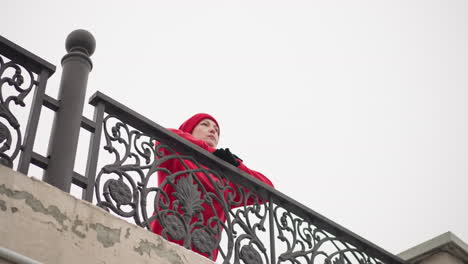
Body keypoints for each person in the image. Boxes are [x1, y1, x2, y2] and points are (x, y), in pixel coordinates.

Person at [151, 113, 274, 260]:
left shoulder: (226, 181)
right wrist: (212, 152)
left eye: (216, 129)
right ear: (189, 130)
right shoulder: (178, 156)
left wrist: (236, 165)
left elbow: (267, 188)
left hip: (201, 255)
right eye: (205, 124)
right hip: (161, 245)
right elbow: (166, 136)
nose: (213, 131)